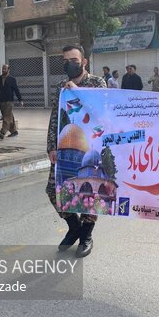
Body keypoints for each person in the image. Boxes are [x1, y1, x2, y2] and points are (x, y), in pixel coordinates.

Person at [47, 45, 106, 257]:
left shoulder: (97, 83)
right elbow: (56, 117)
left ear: (84, 62)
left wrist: (77, 92)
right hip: (66, 145)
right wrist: (51, 146)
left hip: (92, 147)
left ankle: (86, 235)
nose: (69, 63)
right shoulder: (60, 87)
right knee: (54, 191)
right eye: (65, 60)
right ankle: (74, 229)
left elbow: (100, 114)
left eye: (73, 59)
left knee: (89, 193)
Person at [0, 64, 23, 140]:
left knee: (6, 118)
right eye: (3, 68)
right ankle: (14, 131)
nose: (3, 70)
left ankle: (2, 132)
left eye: (5, 68)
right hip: (1, 101)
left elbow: (16, 90)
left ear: (8, 70)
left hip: (9, 101)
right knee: (8, 116)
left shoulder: (12, 79)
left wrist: (20, 100)